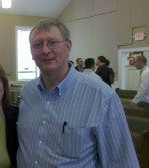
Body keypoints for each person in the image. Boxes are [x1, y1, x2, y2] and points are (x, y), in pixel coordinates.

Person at [16, 18, 139, 167]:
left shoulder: (101, 96)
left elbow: (122, 162)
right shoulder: (27, 93)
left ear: (68, 46)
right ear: (31, 52)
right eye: (37, 44)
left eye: (53, 42)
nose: (45, 50)